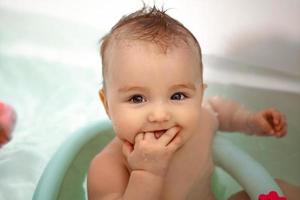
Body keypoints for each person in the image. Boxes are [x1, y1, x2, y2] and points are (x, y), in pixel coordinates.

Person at [87, 5, 299, 200]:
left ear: (199, 96)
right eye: (137, 98)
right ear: (107, 105)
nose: (160, 115)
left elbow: (219, 110)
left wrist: (252, 121)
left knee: (283, 190)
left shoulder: (201, 121)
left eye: (178, 96)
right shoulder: (107, 168)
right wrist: (146, 175)